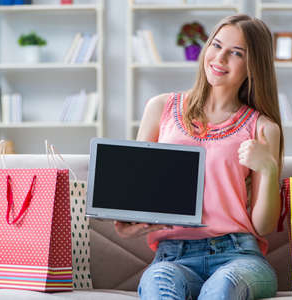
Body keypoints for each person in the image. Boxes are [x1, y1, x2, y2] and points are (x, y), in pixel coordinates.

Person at [115, 14, 283, 300]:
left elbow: (264, 227)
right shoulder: (161, 108)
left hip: (239, 256)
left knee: (223, 286)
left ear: (253, 65)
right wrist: (131, 223)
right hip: (172, 257)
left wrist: (267, 168)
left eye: (236, 53)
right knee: (158, 284)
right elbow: (139, 193)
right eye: (216, 46)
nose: (220, 58)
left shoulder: (264, 128)